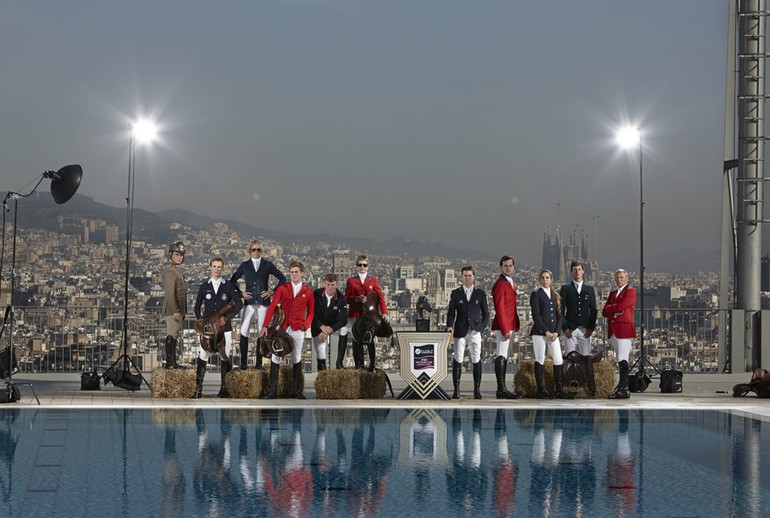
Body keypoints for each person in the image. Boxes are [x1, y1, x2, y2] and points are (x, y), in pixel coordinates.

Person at [260, 261, 314, 399]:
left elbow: (312, 312)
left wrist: (306, 325)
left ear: (302, 273)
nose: (294, 275)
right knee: (276, 356)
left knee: (296, 357)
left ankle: (296, 390)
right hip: (282, 328)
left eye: (296, 272)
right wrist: (265, 325)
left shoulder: (308, 292)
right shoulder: (283, 288)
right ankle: (273, 390)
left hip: (298, 328)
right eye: (292, 272)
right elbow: (272, 307)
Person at [229, 239, 286, 370]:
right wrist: (241, 293)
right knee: (244, 330)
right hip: (249, 303)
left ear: (261, 251)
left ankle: (259, 363)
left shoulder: (267, 265)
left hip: (263, 303)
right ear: (250, 251)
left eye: (258, 249)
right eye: (254, 249)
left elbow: (282, 278)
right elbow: (233, 281)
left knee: (262, 331)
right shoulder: (244, 265)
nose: (256, 252)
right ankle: (243, 363)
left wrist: (272, 291)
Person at [193, 256, 243, 398]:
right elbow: (196, 307)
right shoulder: (204, 286)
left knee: (224, 357)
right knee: (203, 356)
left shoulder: (228, 286)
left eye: (219, 267)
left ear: (223, 268)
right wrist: (201, 324)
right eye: (214, 266)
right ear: (210, 267)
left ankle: (224, 390)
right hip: (208, 331)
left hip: (224, 328)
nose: (216, 269)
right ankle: (198, 389)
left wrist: (226, 317)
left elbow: (238, 303)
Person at [446, 266, 489, 399]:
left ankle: (477, 390)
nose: (467, 278)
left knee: (476, 359)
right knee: (458, 359)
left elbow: (486, 314)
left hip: (475, 331)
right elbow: (451, 313)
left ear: (474, 277)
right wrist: (450, 326)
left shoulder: (480, 294)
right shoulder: (455, 293)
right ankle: (456, 390)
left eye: (470, 275)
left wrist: (481, 327)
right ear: (461, 277)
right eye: (465, 275)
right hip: (460, 330)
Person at [344, 255, 388, 369]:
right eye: (360, 265)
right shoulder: (351, 281)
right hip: (355, 313)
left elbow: (380, 297)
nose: (362, 267)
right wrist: (357, 299)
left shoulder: (373, 281)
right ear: (356, 266)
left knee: (370, 338)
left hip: (370, 315)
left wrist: (384, 312)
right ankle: (359, 366)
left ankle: (372, 365)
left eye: (364, 265)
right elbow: (347, 298)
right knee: (356, 339)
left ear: (368, 267)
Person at [529, 269, 568, 399]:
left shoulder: (556, 296)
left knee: (558, 359)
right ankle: (540, 390)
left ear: (551, 280)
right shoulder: (536, 294)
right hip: (540, 333)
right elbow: (536, 315)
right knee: (540, 358)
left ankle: (559, 390)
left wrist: (557, 332)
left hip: (553, 334)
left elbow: (559, 316)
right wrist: (545, 331)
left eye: (547, 277)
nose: (545, 280)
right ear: (540, 280)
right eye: (542, 277)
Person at [602, 269, 637, 399]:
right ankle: (622, 387)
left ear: (626, 278)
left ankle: (624, 388)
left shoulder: (631, 291)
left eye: (621, 277)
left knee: (623, 359)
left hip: (624, 329)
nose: (619, 280)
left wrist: (612, 309)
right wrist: (613, 310)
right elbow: (604, 311)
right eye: (617, 277)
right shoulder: (612, 293)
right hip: (614, 330)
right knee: (619, 359)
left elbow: (622, 307)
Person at [491, 255, 520, 399]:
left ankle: (502, 388)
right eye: (505, 266)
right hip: (505, 325)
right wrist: (505, 328)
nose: (508, 268)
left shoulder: (511, 282)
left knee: (505, 355)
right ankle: (501, 388)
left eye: (510, 265)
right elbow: (500, 308)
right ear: (500, 267)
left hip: (510, 324)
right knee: (501, 354)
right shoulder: (500, 284)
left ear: (513, 267)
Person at [559, 261, 598, 355]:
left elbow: (593, 309)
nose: (577, 272)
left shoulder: (589, 289)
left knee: (586, 357)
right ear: (571, 272)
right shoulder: (565, 288)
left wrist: (591, 328)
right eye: (575, 270)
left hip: (585, 329)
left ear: (583, 271)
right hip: (570, 329)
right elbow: (561, 310)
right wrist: (565, 328)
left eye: (579, 269)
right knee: (569, 357)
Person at [311, 273, 348, 371]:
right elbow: (311, 313)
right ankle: (322, 370)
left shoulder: (341, 298)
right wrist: (321, 327)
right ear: (324, 283)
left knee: (344, 329)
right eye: (328, 284)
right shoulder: (316, 294)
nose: (330, 287)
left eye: (333, 285)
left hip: (332, 326)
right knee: (321, 351)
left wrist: (330, 329)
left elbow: (343, 320)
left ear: (337, 284)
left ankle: (339, 362)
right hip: (318, 325)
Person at [162, 240, 187, 369]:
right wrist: (176, 310)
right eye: (177, 254)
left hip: (177, 310)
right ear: (170, 254)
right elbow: (170, 293)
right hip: (173, 310)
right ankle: (170, 363)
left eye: (181, 255)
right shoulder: (170, 272)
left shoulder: (177, 271)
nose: (179, 257)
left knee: (174, 334)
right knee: (172, 334)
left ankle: (172, 362)